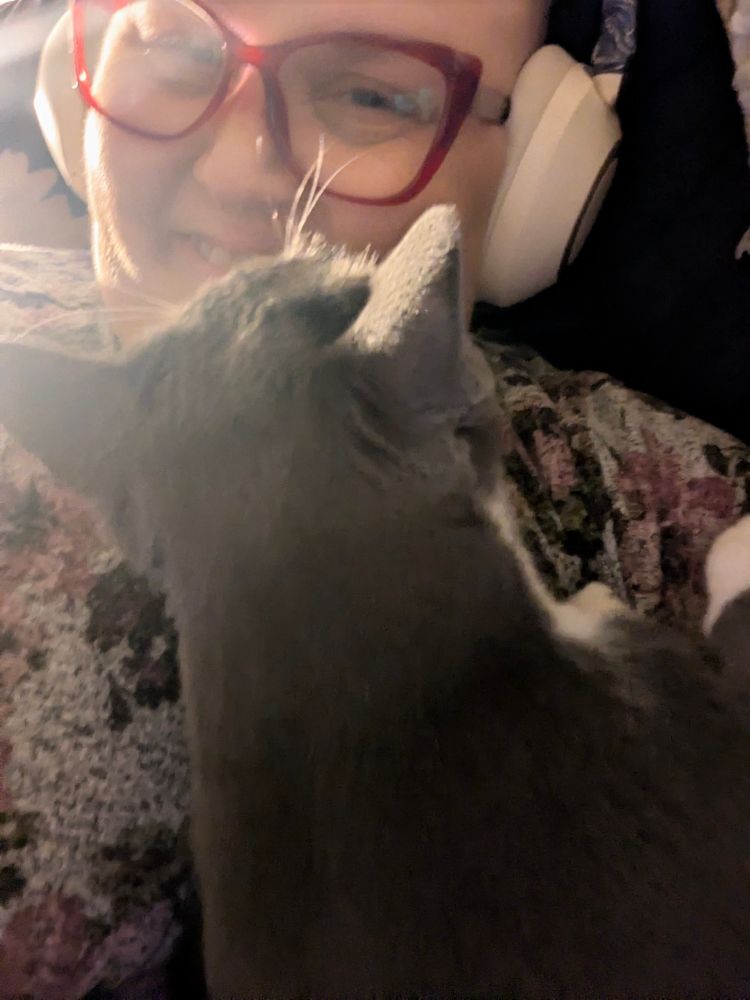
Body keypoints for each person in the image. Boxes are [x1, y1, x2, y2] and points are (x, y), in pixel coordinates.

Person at [0, 1, 747, 998]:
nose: (234, 171)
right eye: (178, 47)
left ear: (537, 178)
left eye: (370, 94)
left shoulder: (646, 495)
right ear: (73, 77)